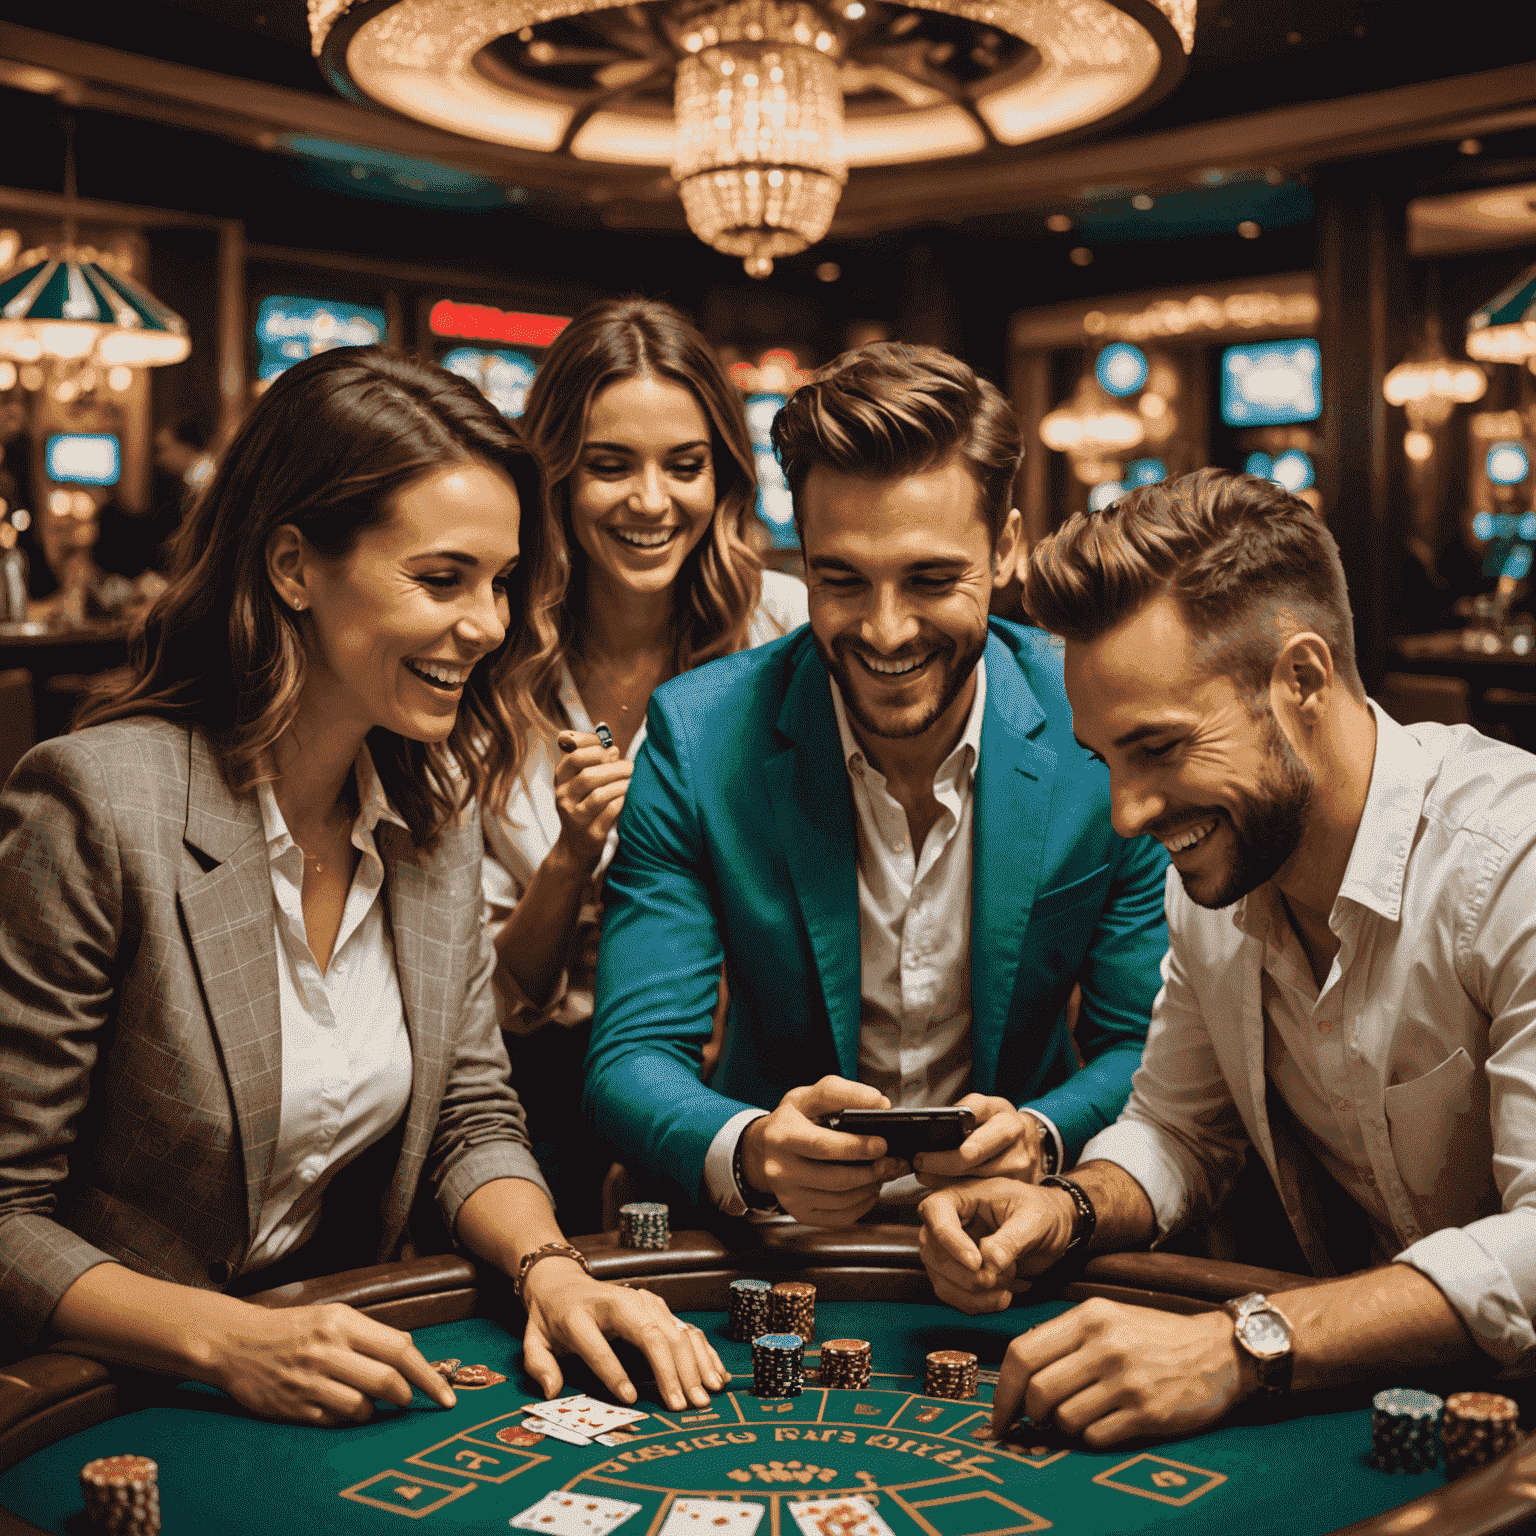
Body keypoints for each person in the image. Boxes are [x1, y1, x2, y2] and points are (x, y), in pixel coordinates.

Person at [0, 347, 724, 1423]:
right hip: (115, 1394)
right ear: (293, 567)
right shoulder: (99, 807)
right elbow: (9, 1212)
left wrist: (553, 1268)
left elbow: (471, 1120)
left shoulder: (431, 816)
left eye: (500, 580)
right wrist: (231, 1336)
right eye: (442, 578)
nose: (487, 623)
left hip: (345, 1369)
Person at [918, 468, 1536, 1447]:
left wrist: (1238, 1345)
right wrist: (1068, 1209)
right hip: (1391, 1402)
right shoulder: (1219, 874)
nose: (1127, 812)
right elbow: (1177, 1128)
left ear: (1301, 680)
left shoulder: (1514, 862)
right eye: (1107, 759)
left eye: (1159, 748)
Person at [584, 342, 1170, 1227]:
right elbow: (630, 1058)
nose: (887, 632)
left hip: (1022, 1228)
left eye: (932, 579)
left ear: (1005, 549)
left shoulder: (1098, 726)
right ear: (805, 559)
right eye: (843, 581)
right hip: (779, 1240)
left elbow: (1142, 1043)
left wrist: (1045, 1134)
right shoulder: (697, 736)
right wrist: (752, 1146)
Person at [482, 299, 806, 1232]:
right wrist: (570, 856)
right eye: (609, 465)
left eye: (685, 465)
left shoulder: (781, 626)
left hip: (756, 1075)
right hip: (552, 1091)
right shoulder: (491, 663)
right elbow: (503, 998)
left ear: (724, 475)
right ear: (554, 478)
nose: (652, 502)